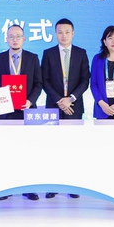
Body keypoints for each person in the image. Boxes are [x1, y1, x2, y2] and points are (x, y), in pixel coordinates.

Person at [0, 24, 43, 201]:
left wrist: (30, 101)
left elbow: (38, 83)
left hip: (26, 110)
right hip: (5, 111)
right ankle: (4, 189)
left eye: (18, 36)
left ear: (24, 39)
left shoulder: (33, 58)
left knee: (28, 151)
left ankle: (29, 188)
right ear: (6, 39)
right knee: (6, 151)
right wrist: (1, 98)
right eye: (11, 36)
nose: (14, 39)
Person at [41, 18, 90, 199]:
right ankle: (53, 185)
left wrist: (71, 99)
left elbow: (85, 80)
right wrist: (59, 100)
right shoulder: (48, 53)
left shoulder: (81, 53)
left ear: (73, 33)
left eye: (67, 32)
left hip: (74, 107)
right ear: (55, 34)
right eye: (60, 32)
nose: (64, 35)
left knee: (73, 147)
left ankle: (74, 185)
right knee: (53, 147)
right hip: (54, 107)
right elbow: (44, 80)